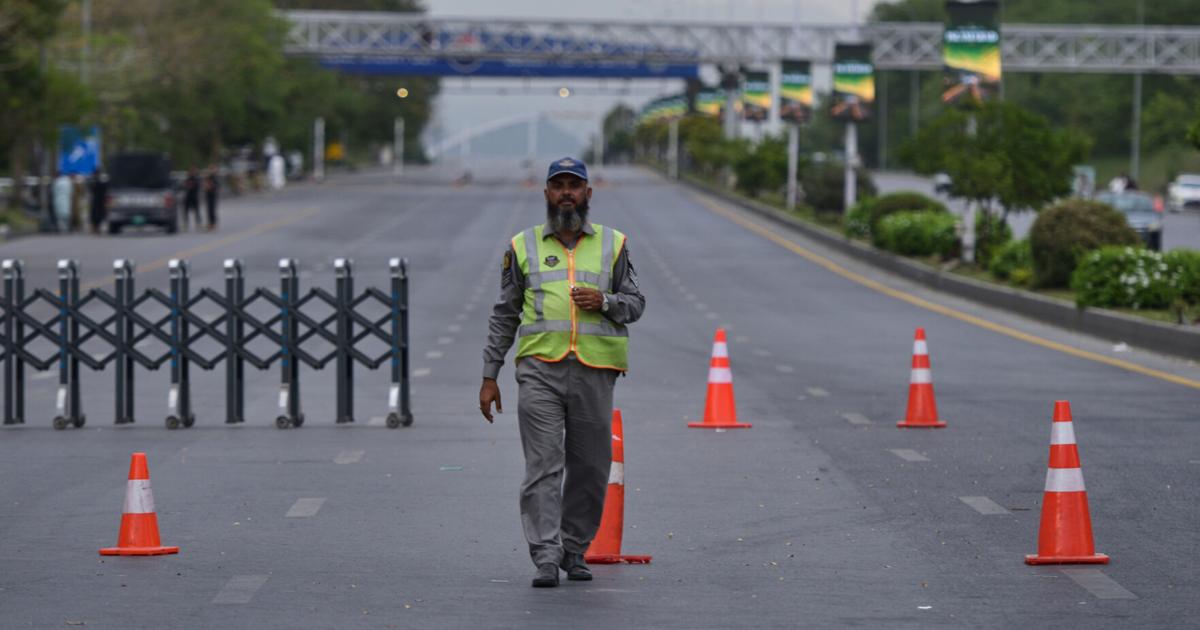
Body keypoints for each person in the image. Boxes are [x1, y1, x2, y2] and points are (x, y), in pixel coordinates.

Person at [479, 157, 646, 588]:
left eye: (575, 185)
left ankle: (575, 549)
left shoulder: (614, 244)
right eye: (559, 186)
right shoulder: (523, 246)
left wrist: (606, 302)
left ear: (588, 194)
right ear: (547, 194)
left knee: (591, 467)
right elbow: (504, 314)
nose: (567, 192)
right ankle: (546, 556)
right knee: (543, 465)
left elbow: (636, 303)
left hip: (595, 371)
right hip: (540, 371)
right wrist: (489, 373)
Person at [203, 164, 220, 231]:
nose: (210, 170)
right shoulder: (208, 177)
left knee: (212, 210)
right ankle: (210, 223)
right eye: (209, 169)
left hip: (213, 195)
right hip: (208, 195)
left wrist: (211, 186)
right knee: (208, 210)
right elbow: (205, 185)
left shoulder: (214, 177)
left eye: (211, 169)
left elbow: (216, 186)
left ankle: (213, 223)